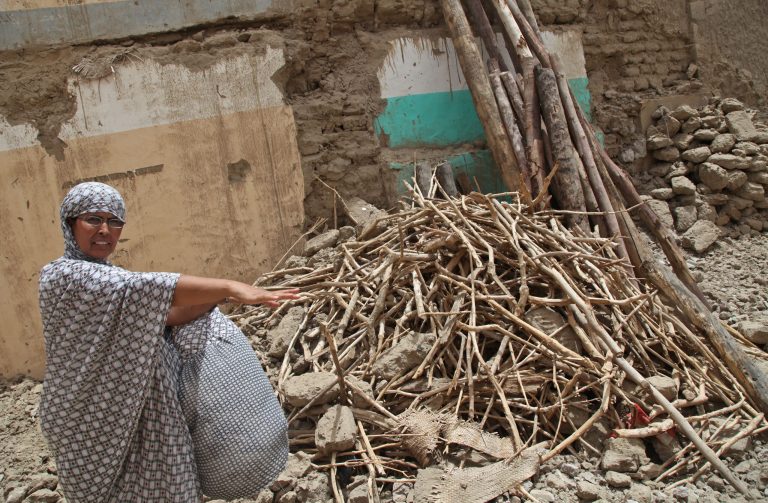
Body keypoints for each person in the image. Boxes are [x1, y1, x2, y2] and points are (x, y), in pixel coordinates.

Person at [38, 182, 299, 502]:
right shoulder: (62, 276)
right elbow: (148, 289)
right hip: (91, 422)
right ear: (70, 223)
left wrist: (221, 296)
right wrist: (229, 284)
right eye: (93, 219)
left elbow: (170, 314)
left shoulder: (112, 278)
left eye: (114, 221)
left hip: (146, 419)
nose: (105, 230)